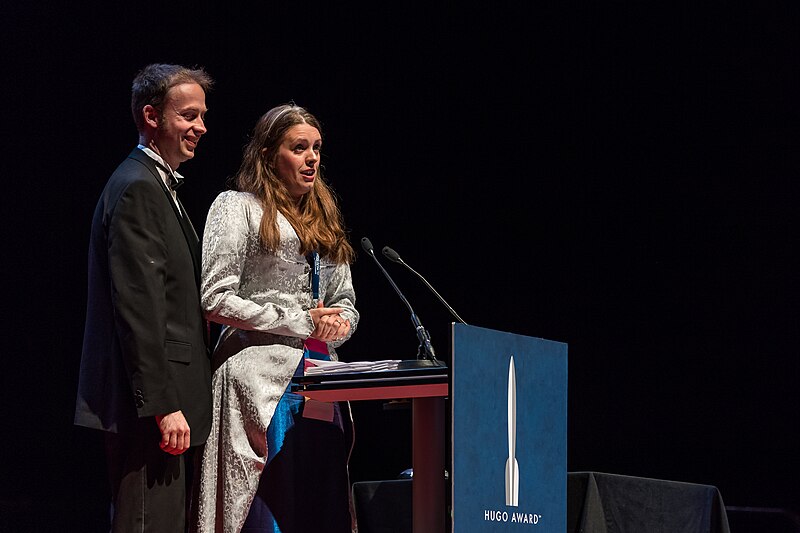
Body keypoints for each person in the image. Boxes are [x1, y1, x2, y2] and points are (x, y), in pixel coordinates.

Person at [192, 103, 358, 533]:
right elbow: (215, 298)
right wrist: (301, 320)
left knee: (319, 504)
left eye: (317, 148)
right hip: (257, 378)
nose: (312, 158)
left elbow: (346, 302)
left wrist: (338, 323)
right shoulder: (237, 207)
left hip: (321, 380)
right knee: (266, 506)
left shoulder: (323, 221)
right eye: (299, 147)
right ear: (269, 155)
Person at [74, 63, 214, 532]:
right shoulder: (137, 187)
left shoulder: (156, 185)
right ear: (152, 116)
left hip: (164, 401)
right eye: (188, 116)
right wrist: (162, 405)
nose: (200, 127)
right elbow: (139, 308)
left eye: (202, 116)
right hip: (152, 409)